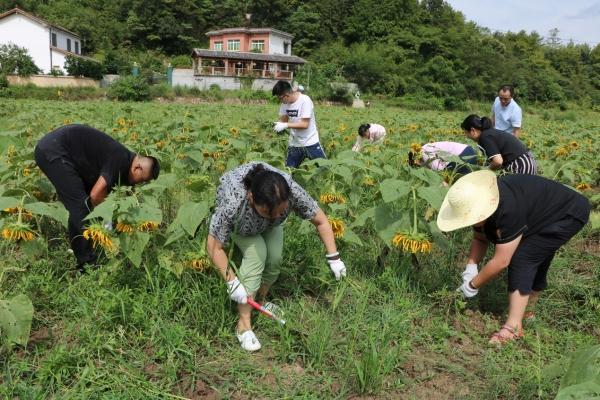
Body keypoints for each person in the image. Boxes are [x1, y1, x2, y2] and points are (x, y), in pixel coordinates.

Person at [437, 170, 590, 344]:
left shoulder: (505, 211)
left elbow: (502, 261)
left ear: (481, 210)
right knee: (535, 255)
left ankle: (513, 327)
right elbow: (480, 238)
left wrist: (472, 285)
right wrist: (471, 267)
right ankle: (527, 311)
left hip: (568, 215)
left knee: (524, 259)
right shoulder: (484, 203)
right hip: (544, 211)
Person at [206, 162, 347, 352]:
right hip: (243, 226)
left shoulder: (291, 191)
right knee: (257, 258)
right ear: (251, 197)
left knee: (274, 259)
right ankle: (243, 324)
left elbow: (321, 220)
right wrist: (231, 281)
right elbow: (214, 247)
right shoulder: (234, 202)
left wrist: (334, 257)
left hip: (269, 228)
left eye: (280, 212)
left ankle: (260, 301)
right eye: (267, 212)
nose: (273, 217)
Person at [34, 124, 160, 271]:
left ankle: (81, 248)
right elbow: (96, 195)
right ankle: (87, 266)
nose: (140, 184)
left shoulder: (124, 160)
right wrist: (108, 222)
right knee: (81, 206)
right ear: (137, 168)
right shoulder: (120, 159)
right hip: (53, 151)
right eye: (142, 180)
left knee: (82, 205)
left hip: (65, 153)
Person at [272, 80, 326, 168]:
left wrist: (286, 125)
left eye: (280, 98)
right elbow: (283, 121)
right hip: (295, 143)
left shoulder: (305, 100)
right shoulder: (284, 104)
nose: (280, 100)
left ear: (287, 95)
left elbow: (304, 124)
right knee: (289, 171)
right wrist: (277, 125)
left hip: (310, 142)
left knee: (324, 168)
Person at [461, 114, 537, 175]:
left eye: (466, 133)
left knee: (513, 192)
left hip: (520, 164)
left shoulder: (485, 136)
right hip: (524, 162)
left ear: (472, 130)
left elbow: (498, 161)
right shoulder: (489, 133)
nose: (466, 136)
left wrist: (485, 171)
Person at [408, 141, 478, 175]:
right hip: (470, 151)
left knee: (446, 180)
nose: (418, 166)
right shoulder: (428, 146)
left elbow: (439, 170)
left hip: (462, 155)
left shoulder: (424, 153)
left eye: (416, 164)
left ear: (415, 159)